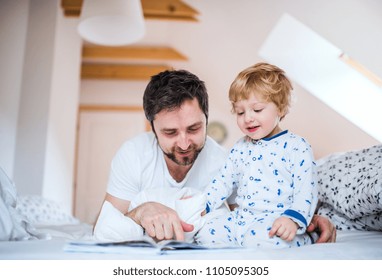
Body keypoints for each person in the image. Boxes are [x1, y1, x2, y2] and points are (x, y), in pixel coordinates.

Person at [93, 69, 336, 244]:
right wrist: (140, 212)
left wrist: (303, 219)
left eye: (194, 128)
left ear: (207, 119)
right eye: (170, 132)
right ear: (152, 128)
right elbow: (103, 228)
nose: (184, 142)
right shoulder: (133, 154)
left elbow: (256, 210)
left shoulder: (224, 159)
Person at [195, 62, 318, 249]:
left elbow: (305, 190)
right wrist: (205, 205)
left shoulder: (296, 147)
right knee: (206, 234)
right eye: (240, 112)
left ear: (281, 108)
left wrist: (293, 219)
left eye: (257, 110)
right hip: (241, 218)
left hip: (276, 220)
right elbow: (223, 181)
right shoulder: (240, 147)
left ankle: (310, 237)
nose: (247, 118)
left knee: (263, 241)